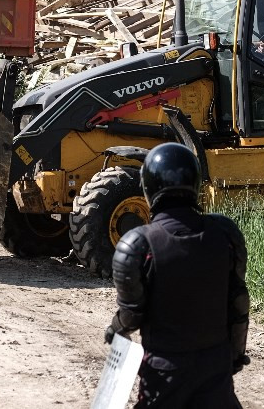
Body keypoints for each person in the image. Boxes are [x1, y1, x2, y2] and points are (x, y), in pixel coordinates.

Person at [105, 143, 249, 409]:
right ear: (194, 183)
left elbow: (132, 314)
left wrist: (115, 329)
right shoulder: (226, 233)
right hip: (215, 368)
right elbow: (239, 302)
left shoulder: (136, 244)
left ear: (148, 188)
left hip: (164, 375)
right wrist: (236, 357)